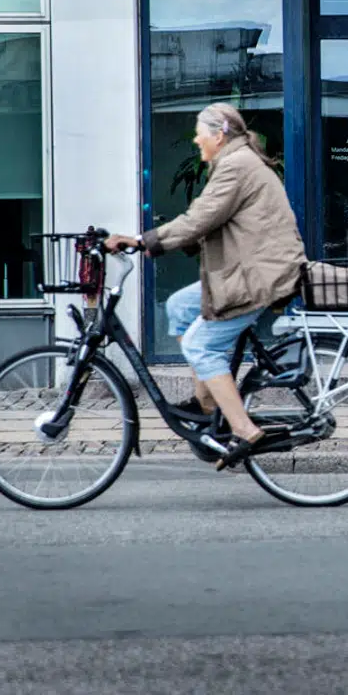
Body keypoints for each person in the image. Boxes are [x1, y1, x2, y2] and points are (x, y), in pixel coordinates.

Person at [107, 103, 306, 470]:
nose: (196, 140)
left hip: (259, 276)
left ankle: (244, 430)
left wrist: (143, 241)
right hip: (249, 269)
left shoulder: (237, 165)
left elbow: (200, 218)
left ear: (219, 134)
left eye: (200, 134)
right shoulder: (236, 160)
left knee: (201, 345)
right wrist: (161, 240)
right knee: (180, 308)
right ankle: (208, 403)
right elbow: (210, 221)